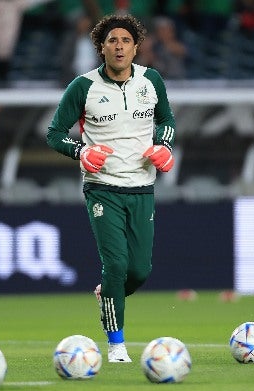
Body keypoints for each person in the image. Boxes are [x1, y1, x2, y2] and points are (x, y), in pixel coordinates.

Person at [46, 14, 176, 363]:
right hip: (102, 188)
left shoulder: (152, 81)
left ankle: (108, 295)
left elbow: (166, 120)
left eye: (126, 41)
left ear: (136, 47)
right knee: (116, 266)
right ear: (101, 48)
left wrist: (163, 146)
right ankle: (116, 344)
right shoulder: (83, 86)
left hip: (142, 187)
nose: (119, 46)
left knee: (139, 272)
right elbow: (54, 133)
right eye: (112, 41)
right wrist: (81, 151)